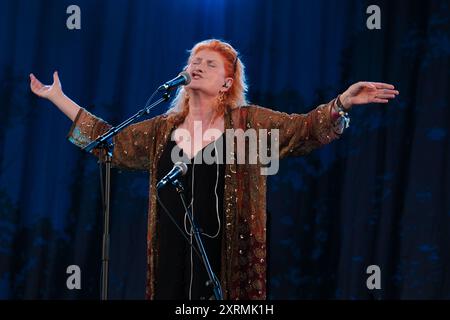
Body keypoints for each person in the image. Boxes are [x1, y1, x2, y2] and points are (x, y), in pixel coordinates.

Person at [29, 39, 399, 300]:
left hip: (227, 261)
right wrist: (58, 97)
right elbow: (108, 141)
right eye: (193, 61)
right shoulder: (162, 130)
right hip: (170, 258)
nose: (197, 66)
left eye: (209, 63)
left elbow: (303, 129)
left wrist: (341, 104)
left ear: (227, 82)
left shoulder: (248, 123)